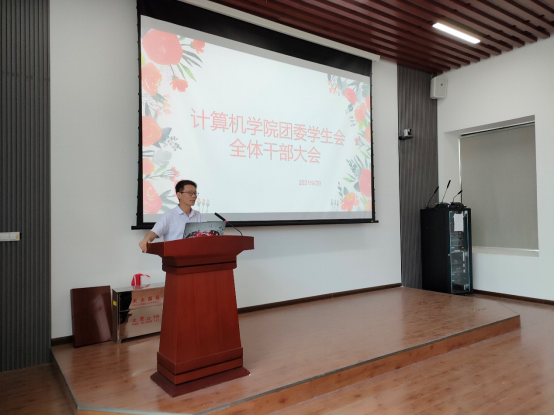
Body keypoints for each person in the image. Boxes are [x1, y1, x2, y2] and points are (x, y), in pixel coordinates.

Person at [139, 180, 204, 252]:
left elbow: (207, 233)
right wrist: (146, 239)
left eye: (195, 193)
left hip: (195, 254)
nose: (194, 196)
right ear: (179, 195)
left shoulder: (197, 215)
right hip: (175, 255)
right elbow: (154, 232)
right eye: (190, 193)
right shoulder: (169, 215)